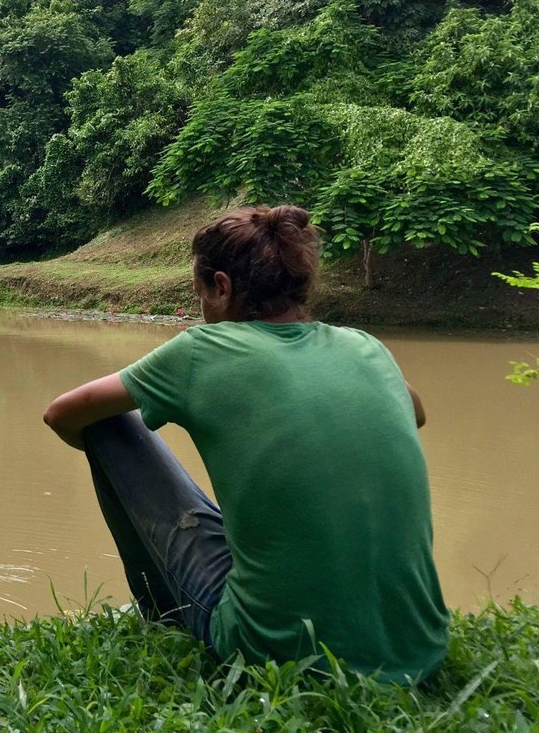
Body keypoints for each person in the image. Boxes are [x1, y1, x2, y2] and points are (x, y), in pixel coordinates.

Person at [43, 204, 448, 684]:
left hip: (274, 650)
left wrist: (121, 465)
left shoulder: (202, 351)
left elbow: (62, 414)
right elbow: (415, 413)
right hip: (420, 648)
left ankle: (163, 612)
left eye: (200, 295)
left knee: (107, 424)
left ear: (222, 286)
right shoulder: (365, 346)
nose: (201, 308)